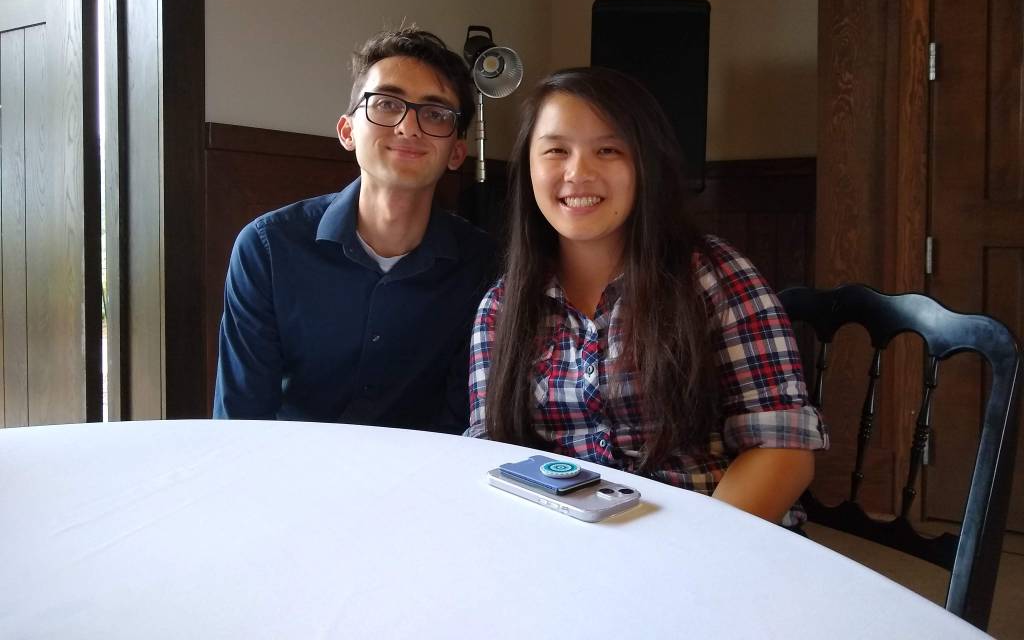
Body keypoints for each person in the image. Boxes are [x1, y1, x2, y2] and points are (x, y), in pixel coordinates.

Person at [466, 67, 828, 526]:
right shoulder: (501, 309)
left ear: (645, 166)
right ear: (529, 168)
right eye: (556, 150)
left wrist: (692, 554)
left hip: (714, 540)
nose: (578, 172)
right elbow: (493, 456)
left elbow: (780, 446)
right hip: (568, 548)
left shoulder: (713, 276)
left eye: (608, 150)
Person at [214, 27, 496, 433]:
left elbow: (464, 422)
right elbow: (242, 418)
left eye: (435, 114)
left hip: (422, 467)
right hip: (292, 464)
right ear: (347, 131)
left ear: (456, 153)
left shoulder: (482, 265)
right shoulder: (268, 248)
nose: (409, 127)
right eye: (386, 104)